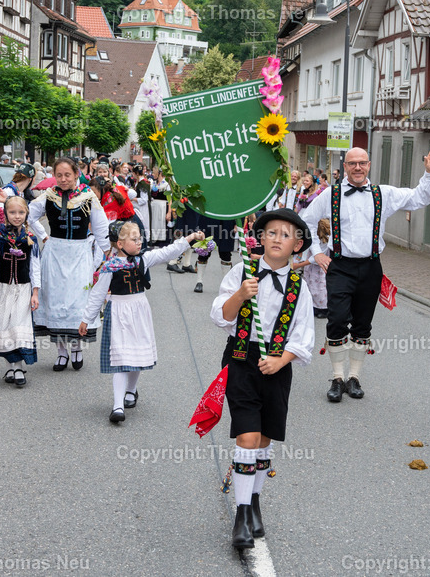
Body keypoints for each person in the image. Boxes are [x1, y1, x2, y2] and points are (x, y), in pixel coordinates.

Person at [301, 146, 430, 403]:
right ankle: (336, 378)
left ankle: (354, 378)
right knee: (336, 320)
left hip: (370, 267)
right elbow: (306, 220)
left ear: (369, 165)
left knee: (363, 324)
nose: (357, 167)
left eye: (362, 163)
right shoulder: (330, 195)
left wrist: (429, 174)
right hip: (340, 266)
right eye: (352, 163)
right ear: (345, 167)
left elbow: (419, 198)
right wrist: (316, 253)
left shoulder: (383, 193)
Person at [210, 209, 315, 549]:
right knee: (248, 436)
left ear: (297, 245)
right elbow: (220, 316)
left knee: (265, 438)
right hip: (242, 360)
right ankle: (241, 516)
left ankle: (255, 502)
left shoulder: (301, 288)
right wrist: (241, 295)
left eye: (286, 235)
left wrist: (282, 359)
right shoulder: (244, 272)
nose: (277, 239)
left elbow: (303, 336)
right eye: (271, 233)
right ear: (261, 239)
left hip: (277, 365)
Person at [81, 221, 202, 422]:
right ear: (120, 244)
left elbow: (168, 252)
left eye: (140, 239)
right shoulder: (110, 266)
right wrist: (86, 319)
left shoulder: (144, 259)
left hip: (139, 310)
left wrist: (189, 239)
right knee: (120, 358)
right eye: (134, 239)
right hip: (118, 311)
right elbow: (97, 294)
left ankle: (131, 390)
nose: (139, 243)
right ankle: (117, 405)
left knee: (137, 354)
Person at [26, 157, 110, 371]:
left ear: (76, 174)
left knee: (77, 302)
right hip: (55, 254)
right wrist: (44, 236)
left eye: (67, 175)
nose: (63, 179)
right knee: (55, 300)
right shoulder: (48, 196)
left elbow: (100, 229)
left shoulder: (88, 197)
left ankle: (76, 348)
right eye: (59, 175)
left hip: (80, 253)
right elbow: (29, 216)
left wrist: (109, 253)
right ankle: (61, 353)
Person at [0, 196, 40, 387]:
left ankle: (17, 368)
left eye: (21, 212)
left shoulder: (30, 239)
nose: (17, 216)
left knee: (18, 326)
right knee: (4, 327)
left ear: (26, 214)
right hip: (2, 289)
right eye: (13, 212)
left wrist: (35, 293)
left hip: (22, 289)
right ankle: (10, 365)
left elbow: (35, 268)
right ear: (6, 214)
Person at [292, 218, 330, 318]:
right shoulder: (315, 240)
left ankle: (324, 308)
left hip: (320, 267)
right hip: (312, 267)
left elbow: (316, 258)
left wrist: (299, 265)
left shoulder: (325, 241)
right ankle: (315, 306)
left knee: (321, 288)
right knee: (311, 285)